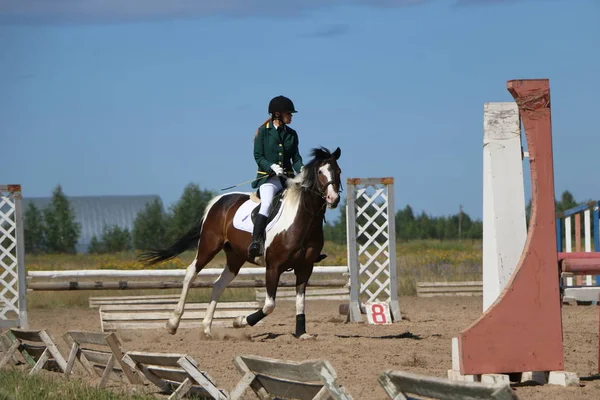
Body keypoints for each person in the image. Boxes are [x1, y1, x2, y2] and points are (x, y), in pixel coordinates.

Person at [248, 95, 304, 259]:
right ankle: (256, 242)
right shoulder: (263, 132)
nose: (291, 116)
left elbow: (296, 159)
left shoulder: (292, 134)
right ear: (278, 114)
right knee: (266, 205)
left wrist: (303, 170)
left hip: (287, 179)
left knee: (304, 203)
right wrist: (271, 166)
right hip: (268, 179)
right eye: (289, 113)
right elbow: (258, 156)